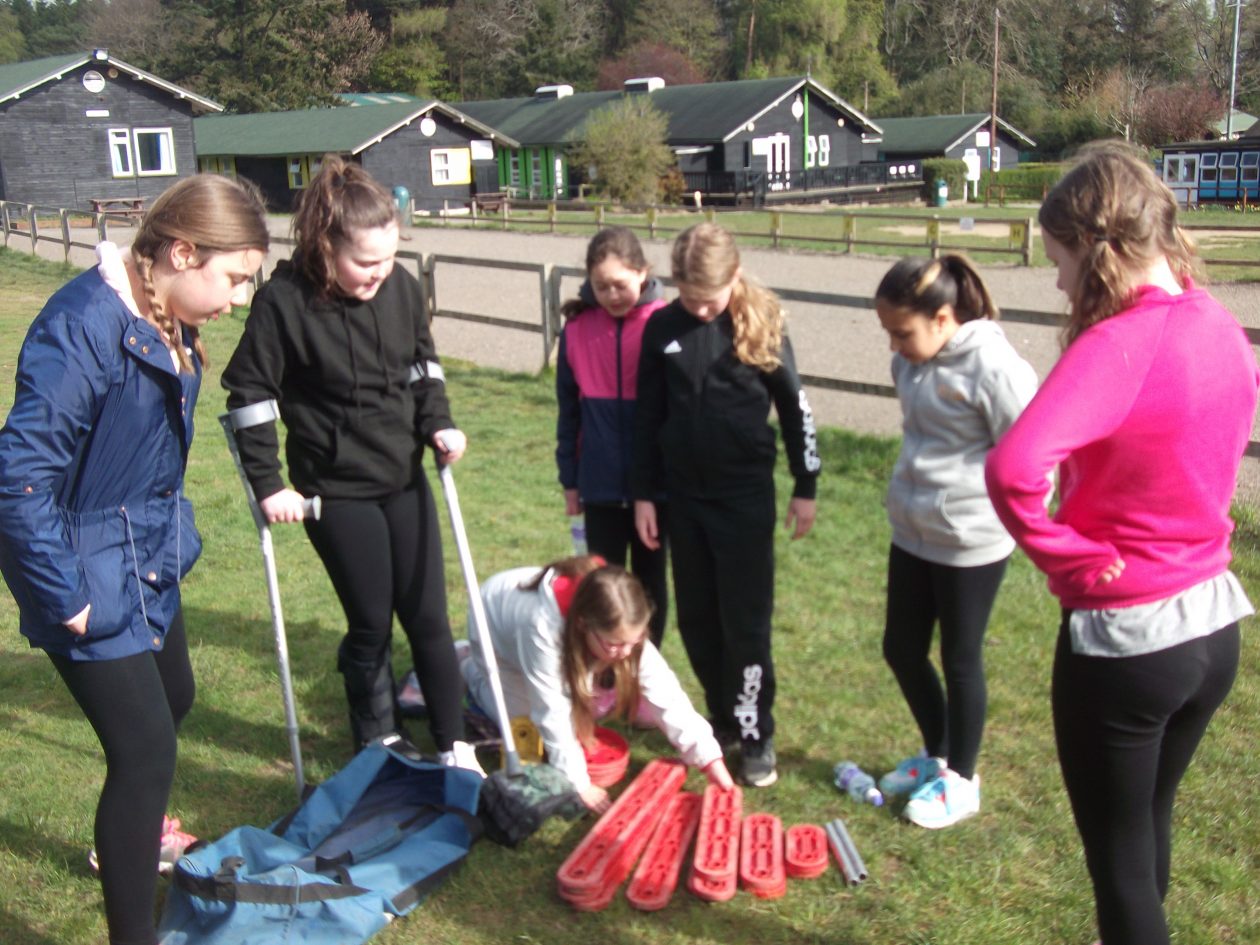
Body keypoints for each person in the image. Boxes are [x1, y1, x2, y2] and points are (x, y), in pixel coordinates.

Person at [985, 141, 1258, 945]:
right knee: (1144, 831)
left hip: (1130, 639)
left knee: (1120, 870)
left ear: (1095, 249)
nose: (1059, 282)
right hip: (1213, 626)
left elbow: (1012, 468)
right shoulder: (1219, 323)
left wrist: (1062, 553)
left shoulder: (1119, 344)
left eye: (1060, 261)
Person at [0, 175, 269, 945]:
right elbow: (18, 479)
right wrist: (66, 596)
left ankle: (135, 830)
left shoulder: (165, 314)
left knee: (174, 695)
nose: (237, 299)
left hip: (144, 554)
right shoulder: (82, 325)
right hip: (83, 568)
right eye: (233, 278)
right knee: (145, 747)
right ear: (182, 253)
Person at [221, 155, 482, 774]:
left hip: (404, 477)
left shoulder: (402, 289)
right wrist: (269, 484)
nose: (380, 273)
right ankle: (378, 746)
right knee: (370, 622)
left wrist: (438, 421)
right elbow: (249, 395)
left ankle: (455, 745)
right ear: (324, 244)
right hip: (334, 491)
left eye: (389, 258)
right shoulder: (284, 304)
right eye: (366, 262)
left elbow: (423, 366)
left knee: (428, 619)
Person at [630, 222, 820, 788]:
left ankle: (756, 732)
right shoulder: (662, 328)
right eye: (689, 298)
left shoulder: (761, 324)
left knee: (745, 624)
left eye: (709, 299)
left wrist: (805, 483)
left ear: (734, 276)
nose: (699, 309)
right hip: (683, 501)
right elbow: (647, 416)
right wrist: (645, 493)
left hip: (743, 501)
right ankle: (724, 719)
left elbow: (796, 409)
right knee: (697, 619)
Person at [872, 254, 1038, 828]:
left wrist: (1028, 521)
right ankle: (938, 755)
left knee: (960, 658)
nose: (894, 346)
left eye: (903, 333)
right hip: (914, 531)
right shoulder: (911, 363)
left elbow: (1031, 451)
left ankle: (962, 782)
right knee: (901, 648)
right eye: (888, 333)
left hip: (971, 539)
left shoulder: (994, 367)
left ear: (943, 318)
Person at [461, 557, 734, 812]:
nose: (626, 652)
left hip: (548, 637)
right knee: (526, 724)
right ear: (583, 625)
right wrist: (579, 783)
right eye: (615, 644)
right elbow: (551, 711)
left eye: (634, 642)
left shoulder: (618, 619)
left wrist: (709, 758)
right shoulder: (542, 627)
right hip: (494, 633)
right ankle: (467, 666)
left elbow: (666, 691)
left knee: (587, 699)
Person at [556, 226, 670, 647]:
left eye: (620, 284)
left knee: (650, 583)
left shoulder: (665, 324)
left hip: (655, 487)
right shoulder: (577, 330)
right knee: (603, 584)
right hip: (599, 483)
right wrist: (570, 480)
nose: (611, 295)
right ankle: (607, 668)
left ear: (643, 273)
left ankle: (647, 668)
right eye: (601, 286)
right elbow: (568, 414)